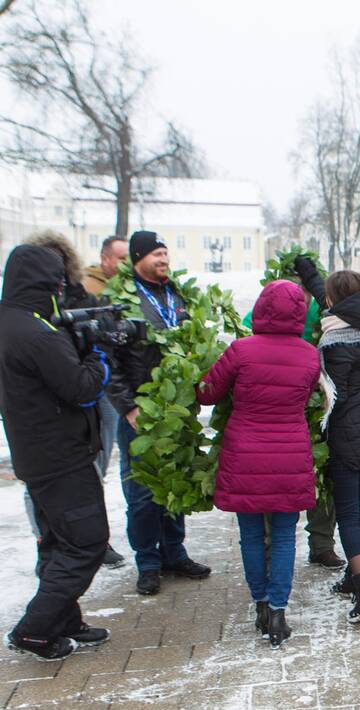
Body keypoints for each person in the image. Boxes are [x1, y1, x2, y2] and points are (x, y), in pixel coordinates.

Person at [0, 245, 112, 661]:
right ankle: (34, 629)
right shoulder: (36, 334)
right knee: (86, 542)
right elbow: (83, 389)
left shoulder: (9, 323)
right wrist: (99, 354)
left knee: (56, 542)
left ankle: (63, 620)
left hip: (35, 453)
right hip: (61, 456)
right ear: (48, 284)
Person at [196, 280, 321, 648]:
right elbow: (309, 393)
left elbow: (207, 393)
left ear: (262, 307)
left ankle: (261, 605)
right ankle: (280, 612)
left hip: (245, 454)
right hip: (290, 455)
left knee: (251, 535)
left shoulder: (240, 350)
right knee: (284, 536)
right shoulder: (310, 355)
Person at [107, 231, 211, 595]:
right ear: (137, 258)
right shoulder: (121, 301)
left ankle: (174, 551)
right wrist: (128, 407)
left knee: (176, 478)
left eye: (166, 253)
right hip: (143, 410)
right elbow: (108, 363)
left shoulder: (177, 294)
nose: (164, 260)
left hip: (177, 407)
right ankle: (147, 562)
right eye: (156, 254)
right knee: (143, 488)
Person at [23, 231, 126, 569]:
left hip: (91, 386)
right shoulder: (28, 306)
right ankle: (47, 542)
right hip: (51, 396)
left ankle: (94, 539)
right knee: (44, 480)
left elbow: (96, 331)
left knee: (93, 464)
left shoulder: (80, 292)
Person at [302, 265, 360, 622]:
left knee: (348, 512)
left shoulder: (335, 339)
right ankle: (354, 579)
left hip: (347, 433)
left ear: (336, 300)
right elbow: (330, 297)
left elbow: (336, 395)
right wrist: (307, 271)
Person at [242, 273, 344, 570]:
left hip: (318, 406)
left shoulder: (322, 311)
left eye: (306, 290)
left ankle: (322, 544)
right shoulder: (261, 313)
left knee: (323, 476)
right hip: (277, 412)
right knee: (273, 483)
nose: (302, 297)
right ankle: (271, 545)